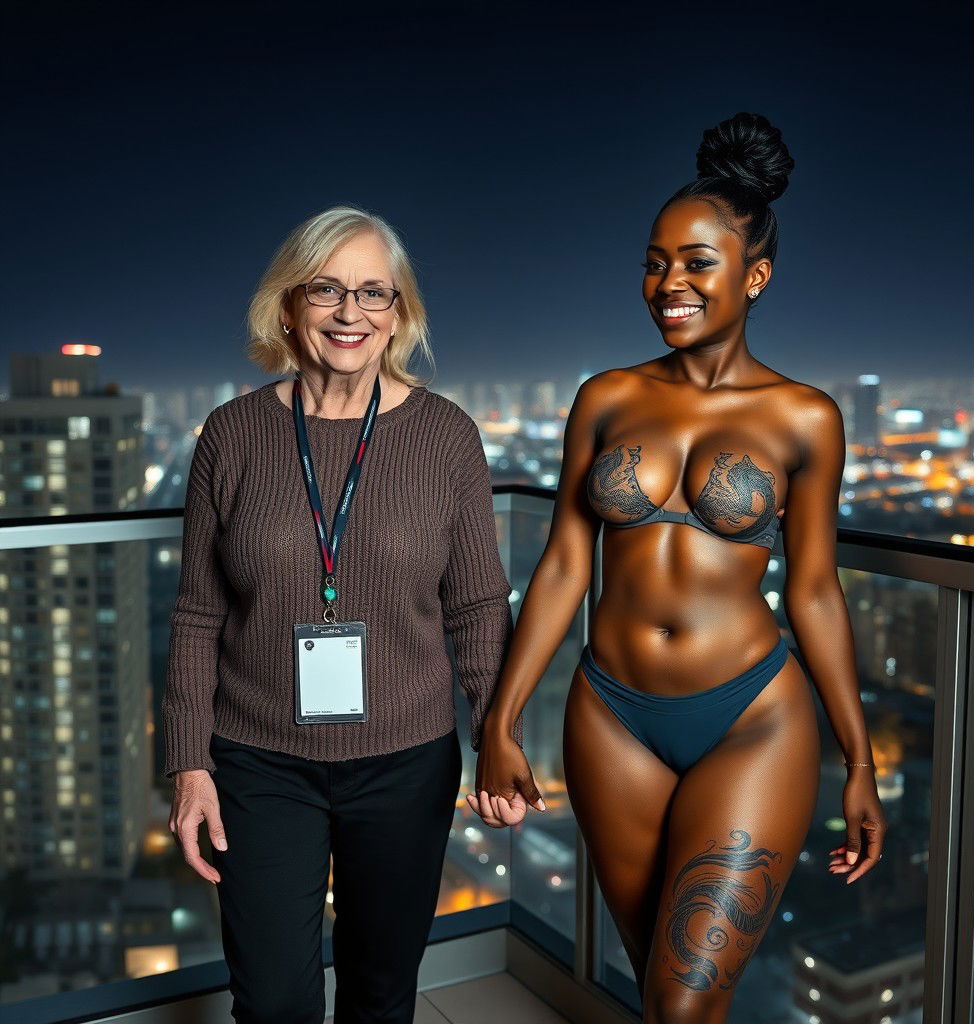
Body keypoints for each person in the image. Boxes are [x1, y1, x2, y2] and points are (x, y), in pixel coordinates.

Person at [468, 112, 886, 1023]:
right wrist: (499, 719)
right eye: (657, 262)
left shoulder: (805, 418)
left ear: (756, 275)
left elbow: (815, 588)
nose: (670, 284)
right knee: (662, 991)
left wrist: (860, 759)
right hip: (608, 714)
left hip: (750, 717)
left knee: (684, 1001)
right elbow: (564, 566)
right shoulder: (607, 398)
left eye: (698, 263)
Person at [162, 205, 521, 1024]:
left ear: (400, 314)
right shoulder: (231, 434)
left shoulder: (446, 437)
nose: (350, 313)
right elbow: (194, 614)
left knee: (380, 993)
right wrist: (189, 764)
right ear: (288, 306)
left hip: (406, 760)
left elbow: (474, 607)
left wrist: (498, 735)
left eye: (373, 293)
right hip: (257, 762)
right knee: (276, 1001)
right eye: (326, 289)